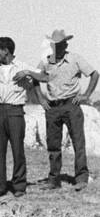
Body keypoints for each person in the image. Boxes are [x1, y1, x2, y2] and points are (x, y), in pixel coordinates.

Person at [21, 29, 96, 190]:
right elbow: (34, 77)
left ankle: (81, 178)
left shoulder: (75, 59)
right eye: (55, 45)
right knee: (53, 144)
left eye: (61, 45)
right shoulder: (46, 62)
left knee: (78, 142)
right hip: (53, 108)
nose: (59, 48)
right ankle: (54, 179)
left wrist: (86, 95)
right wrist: (41, 98)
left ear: (65, 44)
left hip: (71, 106)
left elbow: (94, 74)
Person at [0, 36, 33, 198]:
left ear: (6, 51)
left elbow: (45, 76)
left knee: (18, 149)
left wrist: (26, 73)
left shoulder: (22, 66)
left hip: (15, 112)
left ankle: (19, 185)